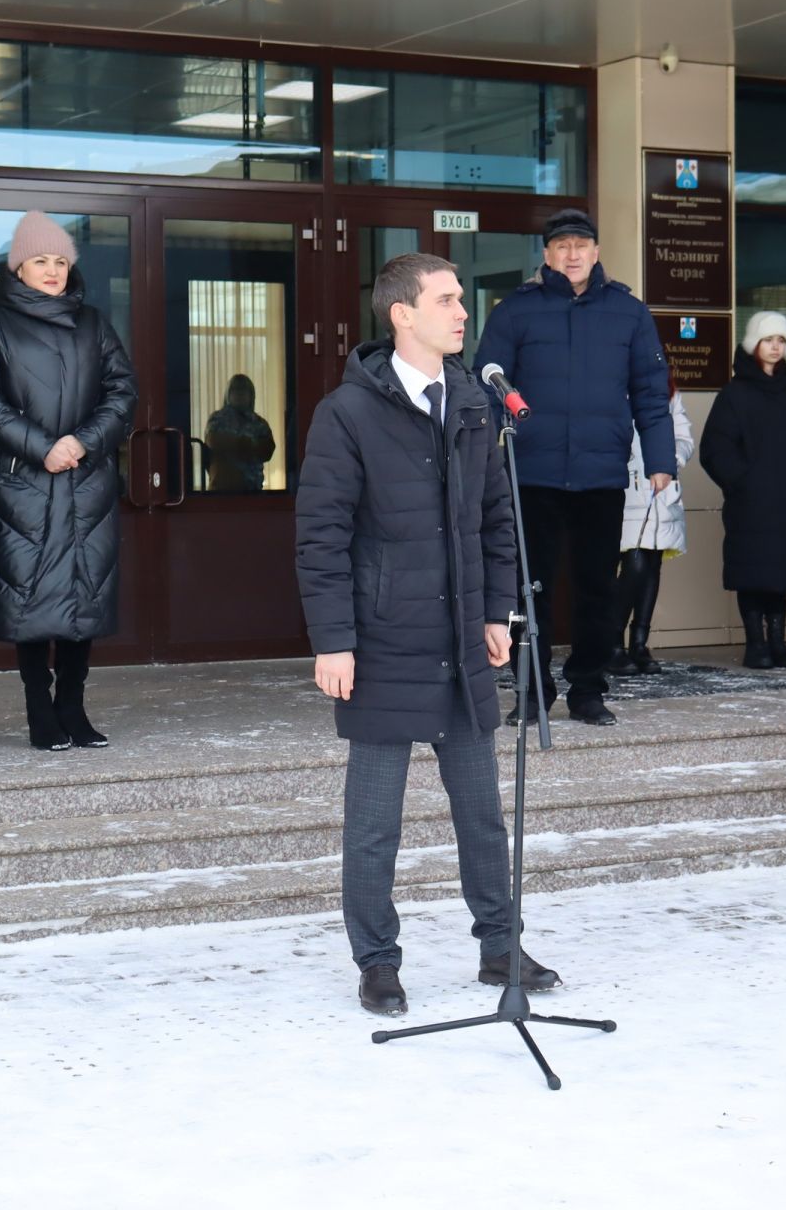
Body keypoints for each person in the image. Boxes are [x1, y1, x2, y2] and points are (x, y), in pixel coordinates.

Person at [296, 252, 558, 1016]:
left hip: (461, 643)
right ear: (401, 314)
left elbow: (495, 519)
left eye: (461, 301)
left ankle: (500, 946)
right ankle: (377, 960)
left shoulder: (475, 402)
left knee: (481, 811)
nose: (462, 313)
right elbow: (321, 535)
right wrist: (333, 640)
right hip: (382, 643)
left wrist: (494, 612)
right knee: (375, 822)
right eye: (446, 300)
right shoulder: (347, 414)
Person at [477, 208, 676, 726]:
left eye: (580, 245)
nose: (571, 254)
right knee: (530, 589)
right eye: (561, 246)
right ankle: (533, 691)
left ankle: (588, 689)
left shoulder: (628, 312)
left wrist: (660, 459)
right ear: (546, 255)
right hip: (532, 475)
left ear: (596, 252)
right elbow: (485, 386)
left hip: (600, 474)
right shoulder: (515, 312)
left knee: (596, 590)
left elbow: (652, 394)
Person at [0, 212, 137, 752]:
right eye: (41, 260)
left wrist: (83, 441)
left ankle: (73, 708)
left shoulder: (94, 323)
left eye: (61, 261)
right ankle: (40, 709)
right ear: (18, 266)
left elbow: (123, 392)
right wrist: (44, 446)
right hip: (24, 488)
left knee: (82, 600)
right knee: (32, 602)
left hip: (86, 483)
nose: (53, 270)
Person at [699, 311, 786, 670]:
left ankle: (778, 644)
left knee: (780, 577)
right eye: (769, 339)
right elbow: (716, 448)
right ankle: (756, 645)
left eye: (781, 341)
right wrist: (743, 481)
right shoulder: (735, 394)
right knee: (752, 574)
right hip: (752, 504)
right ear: (754, 343)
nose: (775, 347)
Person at [606, 376, 695, 676]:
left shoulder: (666, 390)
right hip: (625, 489)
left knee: (652, 566)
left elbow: (683, 437)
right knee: (635, 565)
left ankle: (639, 642)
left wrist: (670, 461)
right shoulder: (612, 383)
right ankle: (612, 642)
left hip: (661, 491)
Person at [204, 373, 276, 493]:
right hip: (222, 491)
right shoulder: (217, 418)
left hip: (253, 490)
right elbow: (213, 441)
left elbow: (267, 450)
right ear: (228, 394)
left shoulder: (259, 423)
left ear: (251, 395)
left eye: (244, 390)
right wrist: (245, 444)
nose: (240, 394)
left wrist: (244, 445)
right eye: (235, 389)